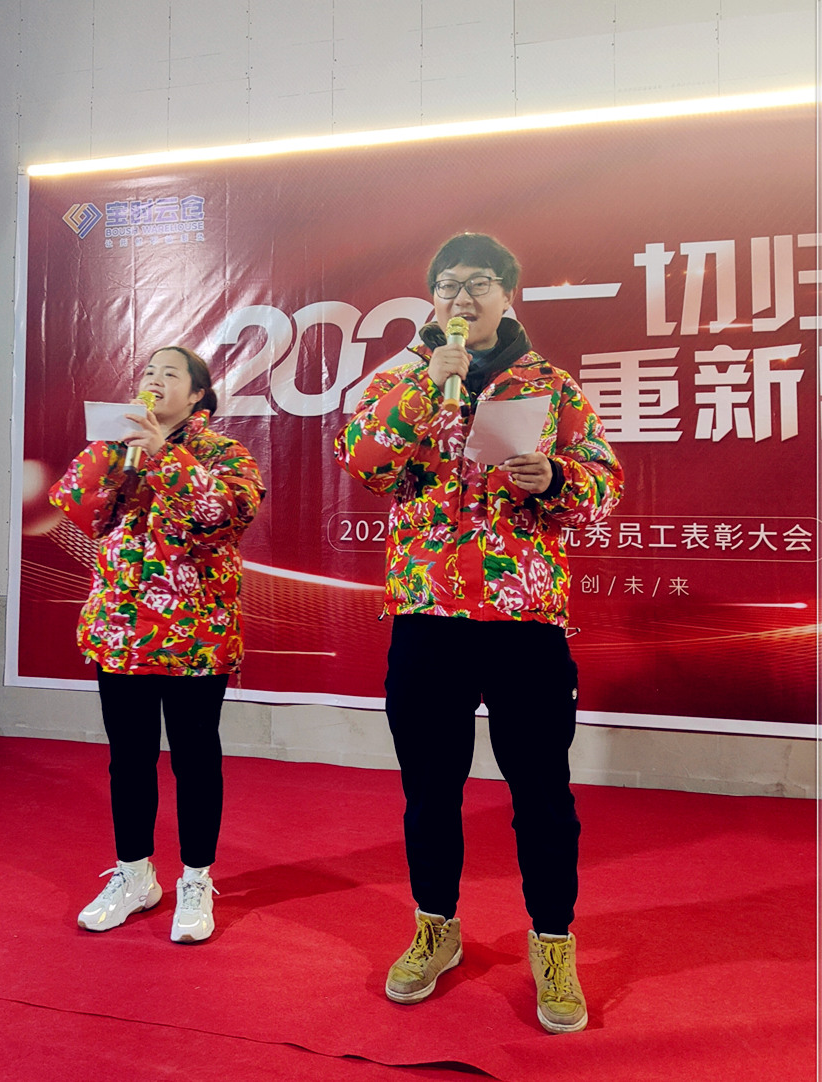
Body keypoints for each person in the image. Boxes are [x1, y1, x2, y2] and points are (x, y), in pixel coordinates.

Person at [334, 233, 623, 1032]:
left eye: (481, 284)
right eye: (449, 285)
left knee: (542, 790)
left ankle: (553, 941)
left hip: (525, 619)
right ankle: (436, 926)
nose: (463, 298)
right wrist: (428, 383)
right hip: (429, 614)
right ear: (432, 297)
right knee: (430, 787)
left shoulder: (551, 385)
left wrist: (556, 477)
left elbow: (603, 487)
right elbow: (362, 461)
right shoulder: (401, 377)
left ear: (507, 295)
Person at [50, 346, 264, 943]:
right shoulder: (118, 448)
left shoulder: (223, 453)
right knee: (129, 758)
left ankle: (195, 880)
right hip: (122, 632)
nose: (154, 381)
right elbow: (77, 508)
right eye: (148, 372)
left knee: (195, 760)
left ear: (197, 395)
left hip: (195, 636)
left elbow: (222, 515)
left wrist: (164, 454)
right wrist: (113, 454)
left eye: (170, 374)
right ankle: (134, 874)